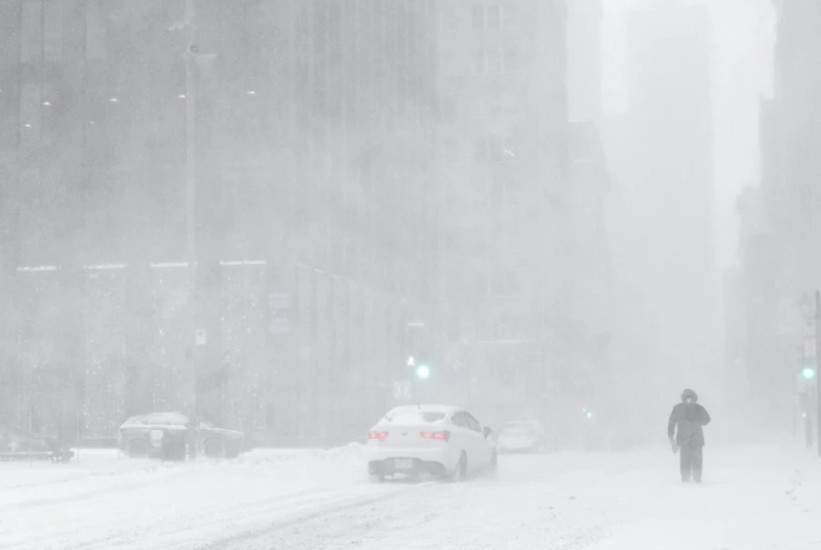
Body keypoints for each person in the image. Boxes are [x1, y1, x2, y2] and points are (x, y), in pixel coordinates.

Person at [667, 388, 711, 483]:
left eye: (690, 397)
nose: (689, 399)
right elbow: (707, 420)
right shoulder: (698, 408)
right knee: (694, 459)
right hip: (694, 438)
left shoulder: (679, 408)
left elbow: (671, 423)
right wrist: (697, 422)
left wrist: (671, 435)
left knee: (687, 459)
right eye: (687, 398)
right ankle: (691, 478)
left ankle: (690, 478)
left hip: (687, 439)